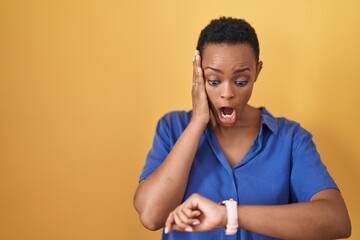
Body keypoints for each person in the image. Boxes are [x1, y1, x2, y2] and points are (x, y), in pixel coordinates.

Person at [133, 17, 351, 239]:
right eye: (214, 81)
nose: (227, 93)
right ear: (198, 72)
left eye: (240, 82)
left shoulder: (290, 139)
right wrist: (198, 121)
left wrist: (230, 215)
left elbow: (337, 220)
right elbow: (151, 216)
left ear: (257, 71)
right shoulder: (172, 128)